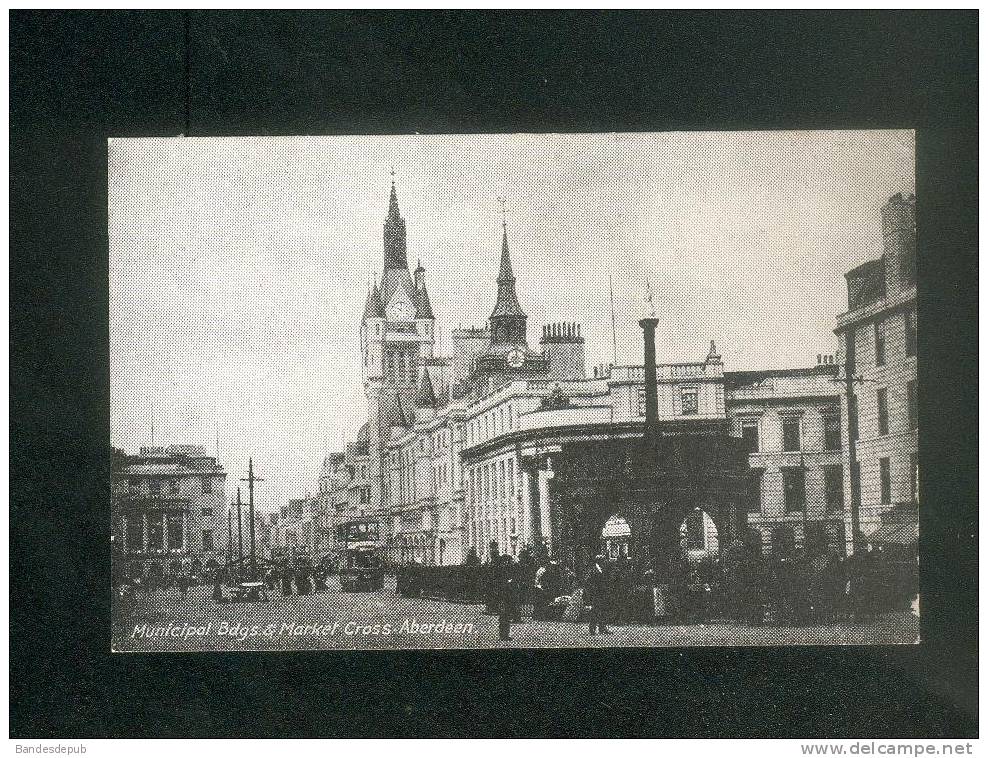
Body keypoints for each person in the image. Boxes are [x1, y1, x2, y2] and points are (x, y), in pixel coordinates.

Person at [583, 554, 612, 635]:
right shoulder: (593, 570)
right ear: (599, 561)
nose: (605, 562)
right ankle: (592, 629)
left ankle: (602, 628)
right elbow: (589, 583)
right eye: (603, 560)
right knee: (595, 612)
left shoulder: (600, 569)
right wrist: (590, 595)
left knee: (603, 611)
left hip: (601, 594)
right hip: (595, 595)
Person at [494, 554, 518, 642]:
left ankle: (504, 634)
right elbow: (500, 583)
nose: (510, 563)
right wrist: (508, 582)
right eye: (509, 561)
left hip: (504, 596)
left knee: (505, 615)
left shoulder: (501, 569)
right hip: (504, 596)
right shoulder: (502, 570)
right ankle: (504, 635)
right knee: (504, 615)